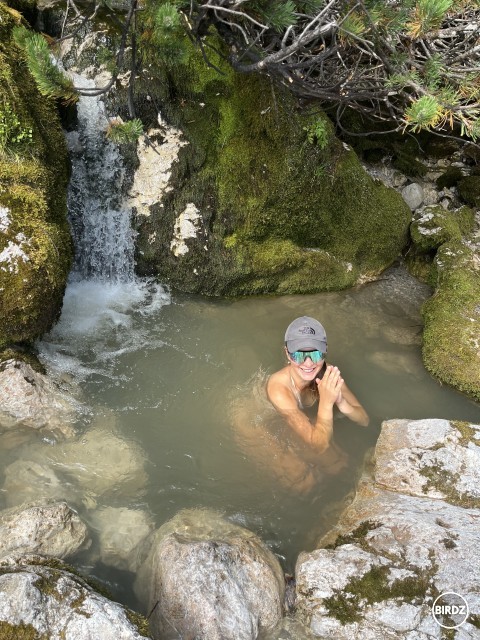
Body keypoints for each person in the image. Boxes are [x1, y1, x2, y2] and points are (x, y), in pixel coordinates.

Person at [266, 316, 369, 455]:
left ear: (325, 350)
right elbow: (319, 447)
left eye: (315, 354)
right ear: (287, 354)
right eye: (299, 355)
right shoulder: (278, 388)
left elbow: (364, 421)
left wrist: (341, 401)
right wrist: (326, 403)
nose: (308, 363)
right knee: (302, 475)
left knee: (340, 463)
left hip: (308, 420)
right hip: (258, 421)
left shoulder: (328, 373)